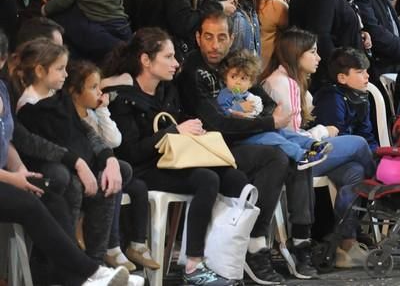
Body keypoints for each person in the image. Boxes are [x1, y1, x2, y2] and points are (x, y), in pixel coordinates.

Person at [176, 11, 316, 281]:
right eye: (208, 37)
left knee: (303, 155)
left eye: (221, 37)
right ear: (198, 38)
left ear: (231, 38)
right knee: (276, 156)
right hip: (217, 147)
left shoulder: (236, 62)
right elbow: (217, 123)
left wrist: (262, 118)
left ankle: (301, 241)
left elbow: (270, 105)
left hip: (248, 138)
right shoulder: (194, 71)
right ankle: (255, 242)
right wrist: (265, 123)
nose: (214, 45)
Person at [105, 28, 247, 285]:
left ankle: (226, 257)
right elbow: (130, 153)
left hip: (174, 161)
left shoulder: (167, 91)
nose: (176, 63)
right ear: (146, 61)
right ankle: (193, 264)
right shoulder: (124, 98)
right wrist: (175, 131)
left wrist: (191, 130)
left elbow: (178, 128)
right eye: (168, 57)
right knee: (206, 179)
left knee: (234, 177)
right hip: (142, 169)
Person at [0, 37, 130, 286]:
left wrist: (108, 159)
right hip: (30, 171)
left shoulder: (5, 90)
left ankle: (95, 266)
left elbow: (9, 141)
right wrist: (76, 162)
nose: (65, 74)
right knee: (59, 181)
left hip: (24, 171)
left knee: (112, 173)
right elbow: (31, 143)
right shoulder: (29, 106)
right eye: (60, 68)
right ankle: (79, 272)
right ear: (40, 70)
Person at [261, 28, 375, 269]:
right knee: (359, 144)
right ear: (295, 55)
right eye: (312, 52)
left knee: (355, 171)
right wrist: (323, 131)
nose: (318, 57)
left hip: (306, 151)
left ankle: (346, 244)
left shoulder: (294, 83)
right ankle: (387, 192)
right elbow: (289, 138)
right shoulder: (283, 83)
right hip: (295, 158)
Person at [64, 59, 160, 272]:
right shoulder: (70, 117)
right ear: (75, 92)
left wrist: (103, 112)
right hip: (88, 172)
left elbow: (115, 140)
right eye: (93, 87)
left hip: (105, 169)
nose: (100, 92)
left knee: (138, 187)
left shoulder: (94, 113)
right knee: (115, 179)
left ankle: (137, 243)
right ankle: (111, 245)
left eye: (100, 87)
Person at [216, 50, 330, 169]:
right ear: (225, 79)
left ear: (250, 83)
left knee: (284, 132)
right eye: (233, 77)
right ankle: (302, 156)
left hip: (256, 128)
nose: (237, 82)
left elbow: (261, 110)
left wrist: (259, 111)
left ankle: (313, 144)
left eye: (243, 78)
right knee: (274, 138)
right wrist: (239, 108)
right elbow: (223, 113)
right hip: (241, 135)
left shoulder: (249, 96)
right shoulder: (225, 95)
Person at [313, 48, 379, 151]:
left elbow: (366, 135)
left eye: (366, 71)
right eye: (360, 72)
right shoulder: (332, 100)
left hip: (357, 150)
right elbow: (336, 139)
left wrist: (375, 153)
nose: (367, 76)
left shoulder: (361, 96)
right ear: (342, 78)